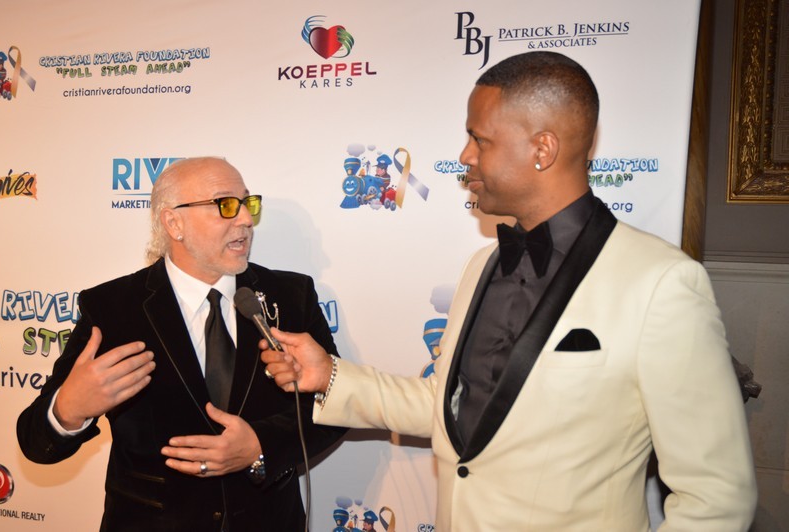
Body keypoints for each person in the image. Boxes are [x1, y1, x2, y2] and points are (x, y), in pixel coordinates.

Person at [260, 52, 757, 531]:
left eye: (479, 139)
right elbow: (448, 405)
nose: (464, 157)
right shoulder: (483, 265)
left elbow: (716, 497)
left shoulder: (661, 282)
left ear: (543, 149)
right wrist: (329, 376)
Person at [17, 157, 346, 531]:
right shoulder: (113, 308)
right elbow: (34, 442)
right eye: (226, 205)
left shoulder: (291, 296)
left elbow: (337, 406)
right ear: (174, 223)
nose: (245, 220)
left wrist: (260, 446)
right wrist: (68, 410)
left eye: (248, 203)